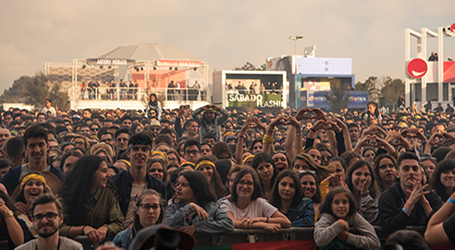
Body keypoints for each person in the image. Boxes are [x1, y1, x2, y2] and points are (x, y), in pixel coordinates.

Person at [58, 155, 124, 244]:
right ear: (89, 173)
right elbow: (58, 226)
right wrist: (83, 229)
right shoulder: (67, 194)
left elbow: (119, 223)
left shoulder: (108, 193)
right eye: (103, 171)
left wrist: (106, 228)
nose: (108, 175)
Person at [110, 132, 167, 227]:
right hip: (119, 237)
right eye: (135, 149)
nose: (140, 153)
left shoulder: (159, 186)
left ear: (150, 155)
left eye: (144, 149)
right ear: (128, 153)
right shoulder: (115, 182)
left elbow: (161, 217)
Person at [379, 152, 443, 235]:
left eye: (415, 169)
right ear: (397, 174)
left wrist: (425, 203)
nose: (411, 172)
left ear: (420, 173)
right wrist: (410, 203)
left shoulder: (430, 195)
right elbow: (390, 228)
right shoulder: (387, 196)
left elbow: (440, 225)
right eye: (406, 169)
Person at [220, 168, 291, 232]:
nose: (245, 186)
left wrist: (261, 219)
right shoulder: (226, 203)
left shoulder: (260, 202)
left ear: (255, 187)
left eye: (249, 183)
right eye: (241, 182)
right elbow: (231, 223)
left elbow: (286, 222)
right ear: (235, 185)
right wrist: (262, 225)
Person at [164, 171, 234, 235]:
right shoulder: (172, 208)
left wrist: (198, 227)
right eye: (178, 184)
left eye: (184, 185)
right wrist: (189, 207)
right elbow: (166, 224)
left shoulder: (210, 207)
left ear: (196, 188)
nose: (178, 188)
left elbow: (228, 224)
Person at [1, 125, 64, 195]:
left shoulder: (58, 175)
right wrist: (12, 205)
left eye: (41, 145)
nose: (37, 150)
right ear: (25, 148)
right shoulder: (13, 175)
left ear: (47, 146)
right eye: (32, 146)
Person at [314, 187, 380, 250]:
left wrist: (348, 237)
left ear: (350, 204)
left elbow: (375, 243)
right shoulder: (326, 217)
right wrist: (339, 224)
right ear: (330, 205)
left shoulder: (354, 216)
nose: (341, 206)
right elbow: (319, 241)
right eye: (336, 202)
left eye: (345, 202)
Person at [15, 193, 83, 250]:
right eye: (39, 217)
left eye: (50, 215)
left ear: (61, 219)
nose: (44, 221)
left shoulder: (74, 248)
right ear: (32, 221)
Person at [345, 159, 380, 224]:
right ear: (350, 176)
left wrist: (365, 195)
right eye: (358, 174)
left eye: (366, 175)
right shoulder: (341, 197)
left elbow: (374, 220)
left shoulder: (377, 199)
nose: (362, 178)